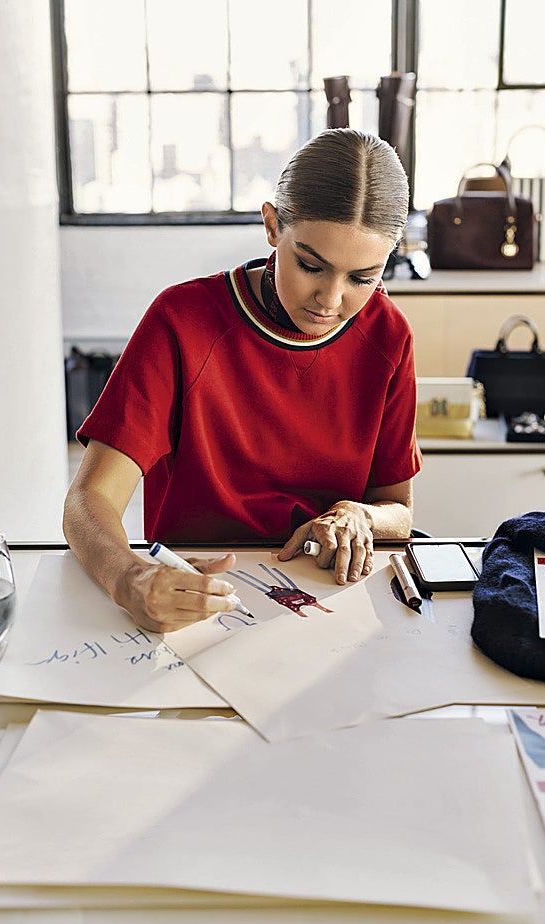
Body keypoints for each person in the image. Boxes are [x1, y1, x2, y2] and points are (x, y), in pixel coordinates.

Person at [63, 128, 423, 633]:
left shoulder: (388, 335)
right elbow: (87, 502)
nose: (330, 300)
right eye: (311, 265)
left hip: (326, 603)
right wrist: (129, 579)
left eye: (363, 278)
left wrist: (359, 516)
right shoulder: (183, 321)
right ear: (273, 227)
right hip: (194, 594)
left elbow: (398, 511)